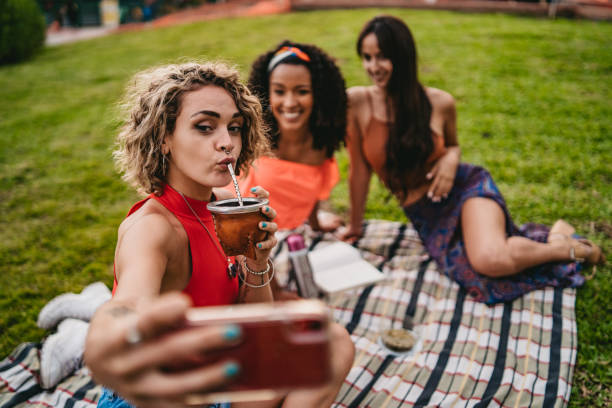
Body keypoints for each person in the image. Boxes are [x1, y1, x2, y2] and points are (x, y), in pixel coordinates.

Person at [84, 61, 354, 407]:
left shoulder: (226, 207)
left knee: (332, 341)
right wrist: (107, 340)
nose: (227, 143)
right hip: (160, 394)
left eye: (235, 127)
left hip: (214, 373)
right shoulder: (153, 227)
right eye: (205, 127)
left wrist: (258, 262)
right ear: (164, 139)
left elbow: (254, 318)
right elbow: (127, 306)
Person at [342, 15, 605, 304]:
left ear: (403, 57)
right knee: (479, 277)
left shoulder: (440, 103)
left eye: (382, 57)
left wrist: (452, 158)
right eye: (366, 57)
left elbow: (453, 146)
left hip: (465, 191)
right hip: (427, 216)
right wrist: (355, 226)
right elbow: (359, 171)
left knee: (491, 260)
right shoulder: (357, 102)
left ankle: (573, 249)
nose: (372, 67)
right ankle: (556, 236)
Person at [233, 40, 347, 232]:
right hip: (247, 230)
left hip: (289, 228)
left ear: (317, 95)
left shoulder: (321, 142)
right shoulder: (255, 139)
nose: (290, 103)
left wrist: (316, 225)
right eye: (279, 91)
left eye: (302, 91)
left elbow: (312, 191)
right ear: (267, 93)